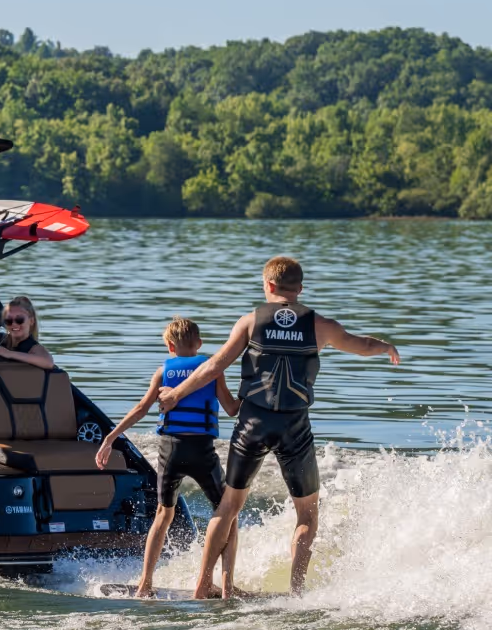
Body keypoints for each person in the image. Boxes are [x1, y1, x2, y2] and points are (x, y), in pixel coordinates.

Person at [158, 256, 400, 598]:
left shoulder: (250, 322)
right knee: (307, 516)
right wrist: (385, 346)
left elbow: (213, 366)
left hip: (252, 423)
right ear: (299, 289)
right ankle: (296, 593)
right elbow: (361, 345)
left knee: (227, 508)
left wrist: (177, 394)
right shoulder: (320, 325)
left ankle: (202, 586)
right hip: (294, 428)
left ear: (268, 285)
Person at [95, 317, 242, 598]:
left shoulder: (163, 371)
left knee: (163, 515)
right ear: (199, 344)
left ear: (169, 346)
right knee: (227, 515)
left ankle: (144, 584)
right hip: (203, 451)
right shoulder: (212, 370)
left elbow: (140, 408)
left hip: (171, 449)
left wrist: (110, 438)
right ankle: (226, 586)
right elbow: (232, 408)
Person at [0, 296, 55, 369]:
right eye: (9, 320)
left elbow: (48, 362)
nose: (14, 324)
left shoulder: (34, 348)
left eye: (19, 320)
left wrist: (9, 354)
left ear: (31, 321)